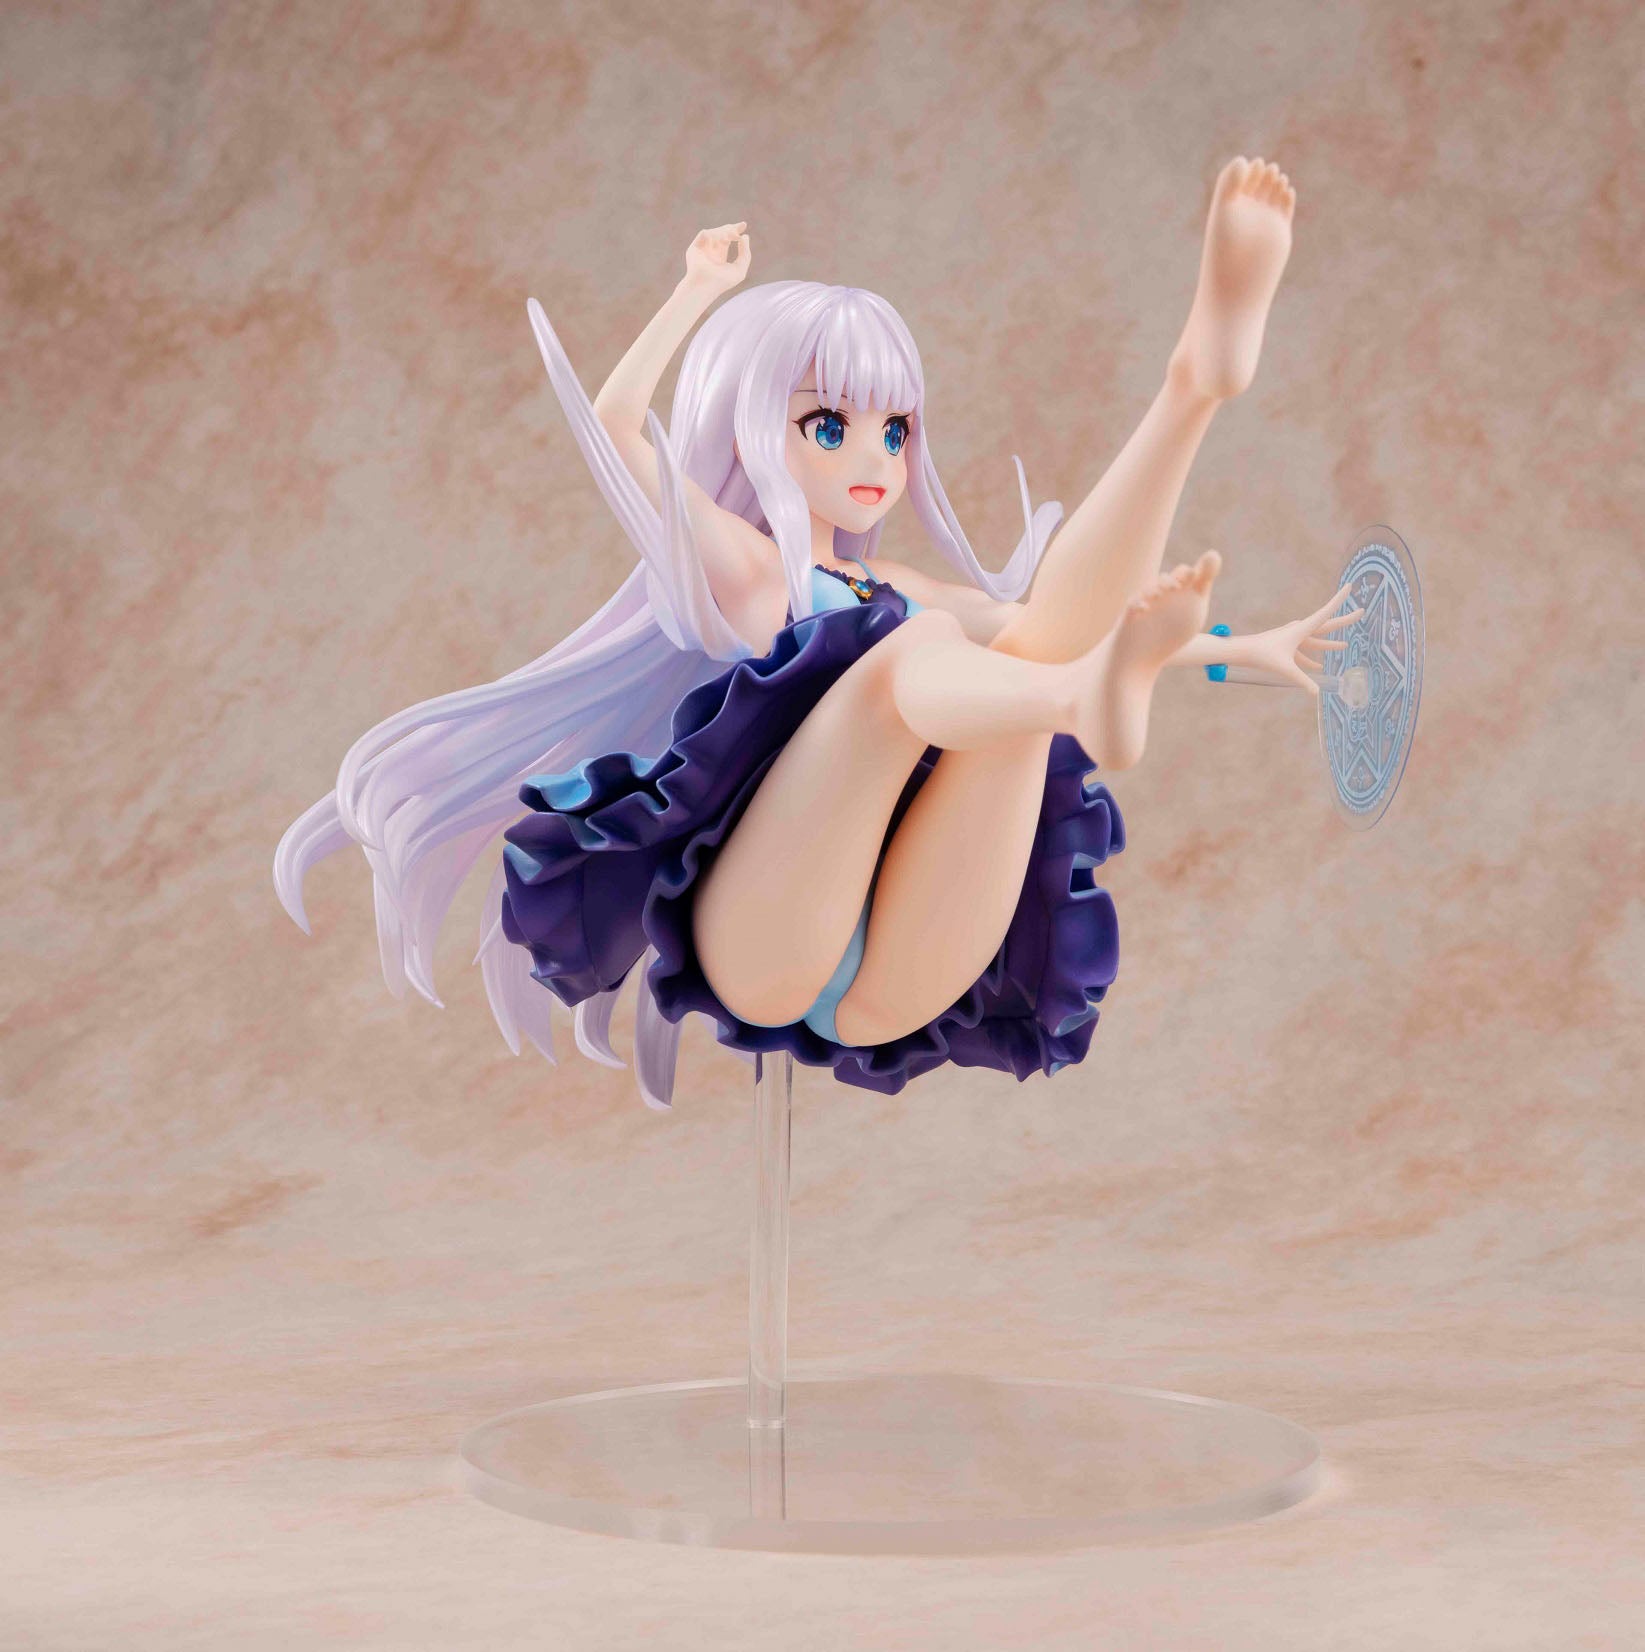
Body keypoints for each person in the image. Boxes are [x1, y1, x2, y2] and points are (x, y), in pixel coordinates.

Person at [276, 158, 1354, 1107]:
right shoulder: (753, 568)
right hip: (764, 944)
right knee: (918, 653)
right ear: (755, 424)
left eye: (894, 428)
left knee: (1020, 641)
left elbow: (1061, 625)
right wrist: (697, 290)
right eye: (828, 424)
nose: (871, 456)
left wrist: (1246, 652)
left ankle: (1189, 394)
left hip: (905, 961)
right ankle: (1078, 691)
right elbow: (615, 424)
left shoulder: (899, 582)